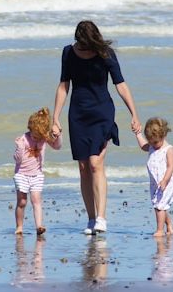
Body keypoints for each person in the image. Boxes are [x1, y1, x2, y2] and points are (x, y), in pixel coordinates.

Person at [52, 20, 141, 235]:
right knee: (83, 168)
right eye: (80, 44)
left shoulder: (106, 53)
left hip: (102, 112)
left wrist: (134, 114)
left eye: (86, 44)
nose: (82, 48)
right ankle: (91, 219)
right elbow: (64, 85)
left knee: (95, 164)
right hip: (78, 114)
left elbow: (120, 84)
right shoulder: (68, 53)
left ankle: (102, 218)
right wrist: (56, 117)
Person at [13, 107, 62, 235]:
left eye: (38, 135)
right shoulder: (23, 139)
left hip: (37, 175)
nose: (36, 138)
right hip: (21, 174)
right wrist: (19, 148)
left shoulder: (44, 137)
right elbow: (17, 160)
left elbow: (57, 147)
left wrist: (58, 135)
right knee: (22, 201)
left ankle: (39, 226)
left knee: (36, 200)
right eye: (34, 134)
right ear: (30, 128)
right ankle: (19, 226)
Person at [135, 117, 173, 237]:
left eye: (155, 142)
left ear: (163, 136)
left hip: (166, 182)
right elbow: (143, 146)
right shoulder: (151, 145)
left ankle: (160, 230)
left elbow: (171, 167)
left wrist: (165, 180)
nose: (152, 145)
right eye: (150, 142)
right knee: (158, 206)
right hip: (155, 183)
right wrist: (138, 134)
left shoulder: (168, 149)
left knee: (160, 206)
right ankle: (169, 223)